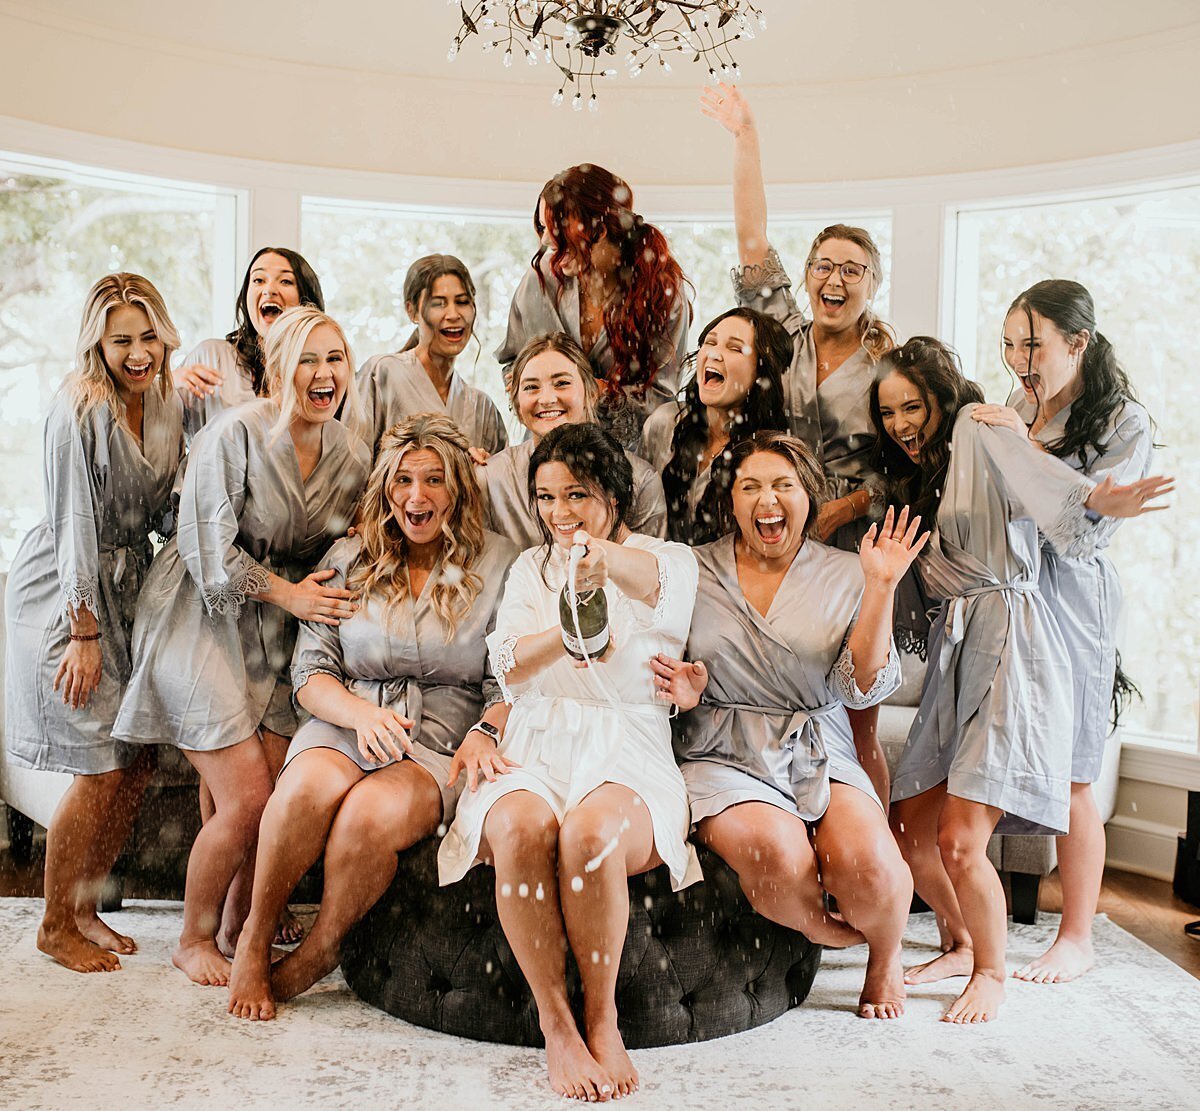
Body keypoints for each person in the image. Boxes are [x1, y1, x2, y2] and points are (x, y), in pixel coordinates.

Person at [872, 336, 1171, 1023]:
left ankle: (991, 970)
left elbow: (1038, 479)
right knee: (911, 827)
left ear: (944, 398)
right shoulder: (928, 474)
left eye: (912, 404)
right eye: (888, 410)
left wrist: (1097, 495)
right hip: (960, 648)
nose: (900, 422)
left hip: (1011, 640)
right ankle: (961, 937)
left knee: (959, 837)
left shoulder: (980, 426)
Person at [438, 422, 701, 1101]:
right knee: (522, 828)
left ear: (612, 493)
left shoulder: (666, 556)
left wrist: (602, 563)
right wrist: (571, 629)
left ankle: (602, 1016)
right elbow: (509, 663)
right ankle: (557, 1024)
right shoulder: (531, 568)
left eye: (576, 494)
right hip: (537, 739)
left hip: (628, 746)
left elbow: (657, 589)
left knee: (589, 833)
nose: (560, 513)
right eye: (547, 497)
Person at [227, 414, 518, 1020]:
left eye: (435, 480)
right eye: (404, 481)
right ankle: (255, 936)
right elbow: (309, 675)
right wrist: (359, 714)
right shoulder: (350, 556)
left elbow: (510, 682)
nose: (418, 496)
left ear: (459, 489)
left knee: (367, 816)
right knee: (302, 790)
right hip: (345, 717)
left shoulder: (500, 565)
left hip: (437, 739)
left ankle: (321, 948)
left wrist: (486, 731)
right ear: (386, 490)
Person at [113, 306, 370, 986]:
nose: (324, 374)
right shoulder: (235, 433)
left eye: (336, 359)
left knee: (275, 794)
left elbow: (358, 532)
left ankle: (235, 923)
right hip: (197, 613)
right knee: (250, 799)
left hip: (279, 628)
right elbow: (207, 551)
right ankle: (193, 935)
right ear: (280, 367)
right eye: (309, 359)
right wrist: (291, 594)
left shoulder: (349, 450)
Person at [654, 432, 924, 1018]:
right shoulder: (690, 570)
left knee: (872, 867)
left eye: (783, 485)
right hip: (720, 745)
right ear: (731, 501)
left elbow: (860, 685)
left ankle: (885, 955)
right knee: (775, 855)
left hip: (815, 742)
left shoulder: (851, 571)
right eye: (749, 486)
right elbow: (655, 662)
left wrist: (880, 587)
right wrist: (685, 690)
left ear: (810, 498)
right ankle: (827, 931)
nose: (766, 499)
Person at [972, 280, 1154, 984]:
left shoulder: (1123, 420)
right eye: (1011, 344)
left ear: (1077, 342)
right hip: (1013, 593)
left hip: (1075, 601)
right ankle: (969, 930)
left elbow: (1081, 532)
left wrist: (1027, 450)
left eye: (1033, 343)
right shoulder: (1020, 403)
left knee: (1075, 770)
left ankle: (1076, 934)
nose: (1020, 359)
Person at [4, 273, 185, 973]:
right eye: (122, 341)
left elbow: (168, 505)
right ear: (97, 344)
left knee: (135, 758)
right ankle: (54, 923)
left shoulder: (166, 401)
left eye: (149, 337)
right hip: (64, 593)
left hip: (126, 588)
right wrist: (82, 634)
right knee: (99, 764)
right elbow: (75, 526)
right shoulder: (76, 408)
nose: (138, 353)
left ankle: (84, 908)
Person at [702, 83, 895, 551]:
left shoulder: (891, 366)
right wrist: (746, 137)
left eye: (852, 271)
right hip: (773, 518)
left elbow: (907, 466)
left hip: (854, 533)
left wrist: (844, 508)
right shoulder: (782, 335)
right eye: (823, 267)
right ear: (806, 276)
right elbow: (752, 240)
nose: (835, 280)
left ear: (873, 286)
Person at [496, 164, 692, 451]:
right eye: (541, 227)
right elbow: (512, 362)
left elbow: (662, 397)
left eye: (557, 231)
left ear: (599, 230)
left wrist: (597, 395)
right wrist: (532, 387)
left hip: (623, 457)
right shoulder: (539, 281)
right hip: (546, 451)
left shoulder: (662, 293)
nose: (546, 241)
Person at [481, 332, 666, 547]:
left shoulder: (641, 480)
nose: (547, 399)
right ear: (516, 403)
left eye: (561, 383)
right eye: (531, 387)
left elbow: (651, 570)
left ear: (592, 393)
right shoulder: (490, 479)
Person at [640, 307, 789, 546]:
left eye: (734, 348)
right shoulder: (664, 422)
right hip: (657, 574)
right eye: (710, 343)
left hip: (728, 580)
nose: (714, 354)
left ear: (761, 375)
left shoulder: (770, 454)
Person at [357, 254, 507, 458]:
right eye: (439, 303)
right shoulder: (382, 374)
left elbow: (502, 482)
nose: (453, 315)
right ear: (412, 311)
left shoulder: (482, 407)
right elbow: (352, 465)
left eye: (462, 302)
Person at [173, 246, 324, 439]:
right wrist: (168, 384)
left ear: (307, 300)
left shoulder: (322, 371)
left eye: (286, 281)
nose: (269, 290)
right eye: (258, 280)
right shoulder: (212, 357)